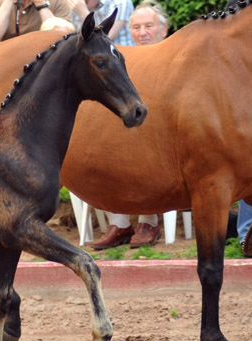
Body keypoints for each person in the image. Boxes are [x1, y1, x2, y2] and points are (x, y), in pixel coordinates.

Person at [87, 0, 168, 250]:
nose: (142, 33)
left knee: (146, 147)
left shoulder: (172, 56)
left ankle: (148, 221)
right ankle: (119, 223)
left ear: (163, 29)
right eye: (136, 27)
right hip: (126, 130)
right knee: (103, 148)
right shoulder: (121, 59)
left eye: (148, 26)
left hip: (164, 135)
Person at [0, 0, 71, 44]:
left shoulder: (58, 2)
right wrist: (8, 2)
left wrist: (41, 5)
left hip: (43, 62)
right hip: (7, 60)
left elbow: (60, 40)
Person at [70, 0, 134, 46]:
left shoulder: (120, 3)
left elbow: (103, 38)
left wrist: (85, 14)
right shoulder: (76, 5)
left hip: (121, 54)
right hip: (92, 55)